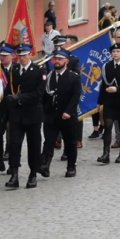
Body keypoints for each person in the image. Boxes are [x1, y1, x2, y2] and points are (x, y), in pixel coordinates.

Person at [4, 43, 46, 189]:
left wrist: (20, 98)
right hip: (17, 115)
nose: (22, 58)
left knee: (34, 146)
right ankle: (14, 175)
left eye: (25, 55)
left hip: (33, 113)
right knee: (14, 145)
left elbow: (39, 93)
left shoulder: (39, 70)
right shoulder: (14, 69)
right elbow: (9, 89)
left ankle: (33, 174)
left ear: (30, 54)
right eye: (20, 55)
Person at [39, 50, 81, 178]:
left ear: (66, 61)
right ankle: (45, 166)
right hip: (51, 116)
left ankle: (71, 166)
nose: (57, 61)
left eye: (60, 59)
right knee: (49, 141)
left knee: (70, 143)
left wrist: (68, 111)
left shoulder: (73, 77)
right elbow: (44, 96)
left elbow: (75, 96)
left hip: (67, 117)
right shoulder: (49, 76)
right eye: (55, 59)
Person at [0, 42, 15, 175]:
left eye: (5, 55)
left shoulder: (17, 69)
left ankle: (13, 163)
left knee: (13, 136)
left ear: (12, 56)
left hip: (13, 107)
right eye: (1, 55)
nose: (2, 58)